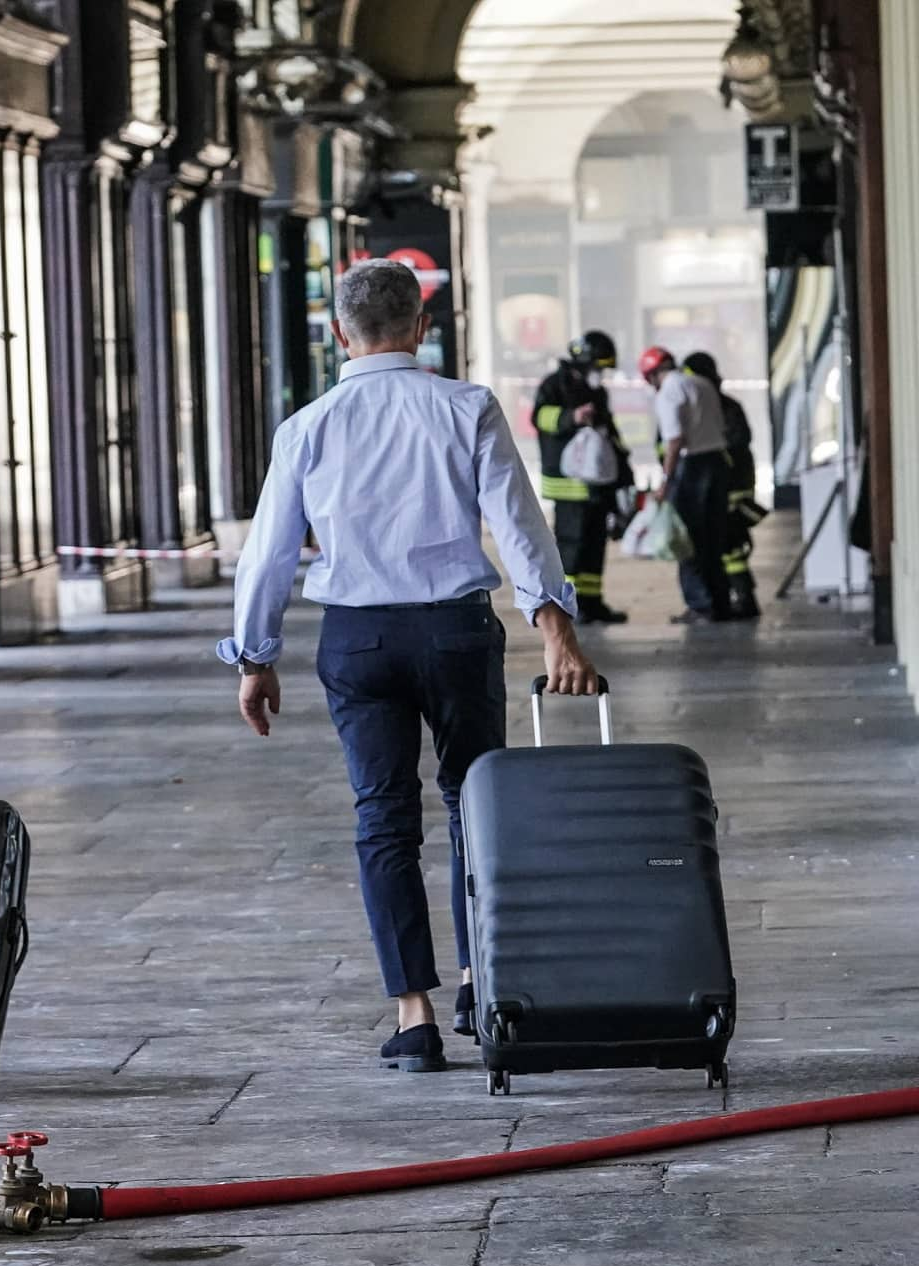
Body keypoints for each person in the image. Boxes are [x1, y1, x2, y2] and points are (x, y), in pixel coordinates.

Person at [220, 259, 602, 1075]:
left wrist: (253, 658)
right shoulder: (467, 407)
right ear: (422, 327)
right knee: (476, 808)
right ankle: (481, 984)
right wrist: (555, 628)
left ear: (337, 335)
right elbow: (519, 523)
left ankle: (413, 1015)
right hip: (457, 635)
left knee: (381, 819)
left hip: (356, 641)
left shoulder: (307, 427)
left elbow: (267, 558)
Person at [529, 331, 632, 624]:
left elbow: (609, 434)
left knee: (594, 548)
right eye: (598, 367)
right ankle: (569, 607)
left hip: (596, 486)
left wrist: (624, 477)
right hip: (568, 487)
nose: (601, 374)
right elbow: (539, 418)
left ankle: (592, 602)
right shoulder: (554, 385)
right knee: (572, 549)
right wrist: (571, 417)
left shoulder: (596, 392)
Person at [639, 347, 736, 623]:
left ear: (652, 375)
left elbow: (675, 440)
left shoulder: (669, 390)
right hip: (717, 463)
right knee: (713, 538)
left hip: (691, 468)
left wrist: (665, 481)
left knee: (687, 540)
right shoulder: (702, 383)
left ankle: (700, 604)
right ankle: (720, 602)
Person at [681, 351, 763, 619]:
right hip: (724, 484)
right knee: (726, 545)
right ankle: (732, 598)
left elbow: (737, 443)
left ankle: (745, 598)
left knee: (731, 545)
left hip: (731, 486)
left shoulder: (719, 407)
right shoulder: (720, 404)